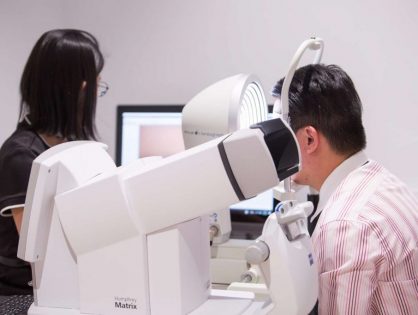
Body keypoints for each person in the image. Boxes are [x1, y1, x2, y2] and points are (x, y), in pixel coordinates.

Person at [272, 64, 418, 314]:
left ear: (309, 139)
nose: (273, 149)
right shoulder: (384, 183)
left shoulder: (344, 226)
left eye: (278, 134)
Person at [0, 29, 106, 295]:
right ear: (75, 89)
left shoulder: (69, 146)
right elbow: (38, 248)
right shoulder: (22, 156)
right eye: (96, 87)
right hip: (21, 294)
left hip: (64, 284)